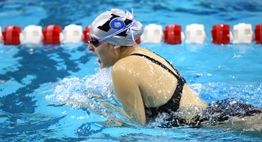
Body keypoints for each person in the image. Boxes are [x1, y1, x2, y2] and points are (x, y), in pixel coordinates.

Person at [87, 8, 262, 128]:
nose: (89, 48)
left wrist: (95, 104)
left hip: (218, 124)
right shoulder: (142, 54)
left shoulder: (122, 68)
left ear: (116, 45)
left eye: (94, 42)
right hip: (221, 113)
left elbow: (134, 125)